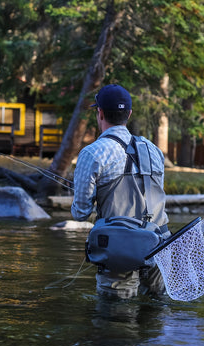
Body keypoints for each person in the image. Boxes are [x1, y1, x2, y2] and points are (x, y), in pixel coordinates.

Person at [71, 84, 170, 299]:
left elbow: (80, 213)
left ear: (100, 113)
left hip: (119, 251)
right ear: (129, 114)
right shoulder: (154, 150)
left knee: (115, 320)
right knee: (155, 317)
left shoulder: (92, 153)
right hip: (160, 246)